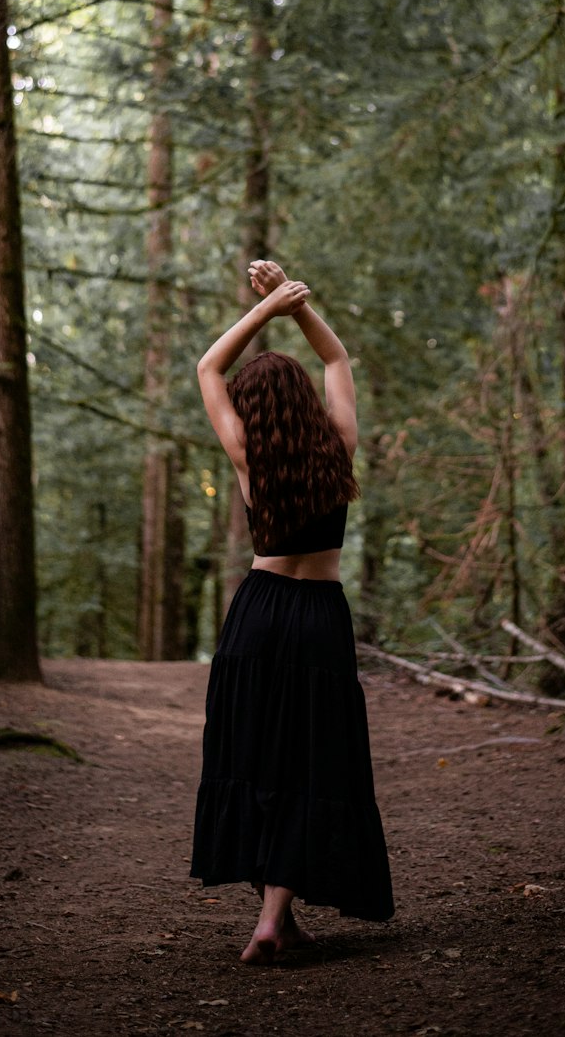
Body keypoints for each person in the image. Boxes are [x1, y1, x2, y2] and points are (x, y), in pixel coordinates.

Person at [190, 259, 394, 964]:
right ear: (304, 400)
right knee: (310, 757)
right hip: (318, 616)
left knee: (255, 755)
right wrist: (298, 306)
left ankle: (273, 918)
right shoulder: (336, 446)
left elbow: (207, 368)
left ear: (254, 409)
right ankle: (278, 918)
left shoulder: (249, 455)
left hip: (258, 614)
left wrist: (265, 311)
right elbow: (336, 354)